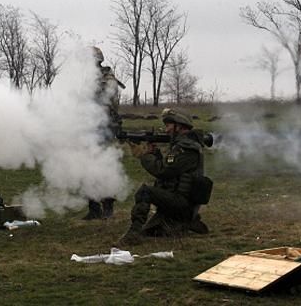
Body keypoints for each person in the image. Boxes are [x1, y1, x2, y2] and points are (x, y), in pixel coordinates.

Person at [116, 108, 209, 246]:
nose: (166, 130)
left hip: (183, 203)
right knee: (153, 231)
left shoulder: (187, 149)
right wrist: (155, 153)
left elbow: (163, 171)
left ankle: (133, 235)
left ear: (179, 126)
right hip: (179, 199)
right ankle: (186, 223)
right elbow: (170, 172)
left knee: (144, 192)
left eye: (168, 126)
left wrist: (144, 156)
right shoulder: (180, 146)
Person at [82, 46, 125, 220]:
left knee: (104, 166)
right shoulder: (86, 79)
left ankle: (107, 206)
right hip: (88, 128)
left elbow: (109, 105)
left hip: (104, 127)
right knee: (85, 167)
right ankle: (93, 207)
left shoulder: (107, 80)